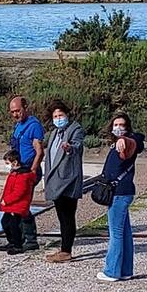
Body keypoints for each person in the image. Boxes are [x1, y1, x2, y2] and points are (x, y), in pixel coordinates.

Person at [36, 100, 86, 263]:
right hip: (55, 180)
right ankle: (64, 248)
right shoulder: (54, 133)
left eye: (61, 115)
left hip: (68, 180)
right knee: (61, 215)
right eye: (55, 116)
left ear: (67, 115)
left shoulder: (75, 129)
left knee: (68, 216)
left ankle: (66, 250)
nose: (58, 118)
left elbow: (77, 146)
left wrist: (70, 148)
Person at [97, 111, 141, 283]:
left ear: (127, 127)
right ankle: (125, 270)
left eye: (122, 125)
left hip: (120, 193)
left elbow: (136, 139)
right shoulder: (115, 144)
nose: (118, 128)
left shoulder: (129, 142)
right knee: (125, 232)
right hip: (123, 192)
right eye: (116, 125)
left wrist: (125, 140)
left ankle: (112, 270)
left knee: (115, 233)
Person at [0, 150, 37, 255]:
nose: (7, 166)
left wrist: (7, 200)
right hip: (12, 205)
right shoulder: (15, 173)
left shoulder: (23, 175)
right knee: (5, 222)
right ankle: (13, 242)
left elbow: (20, 192)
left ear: (14, 162)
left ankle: (18, 245)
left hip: (17, 205)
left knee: (14, 225)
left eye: (7, 163)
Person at [8, 95, 44, 172]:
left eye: (18, 111)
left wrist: (33, 170)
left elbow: (40, 153)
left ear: (25, 108)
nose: (15, 115)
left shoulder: (34, 126)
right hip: (17, 168)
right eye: (12, 112)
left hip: (28, 169)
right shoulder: (18, 125)